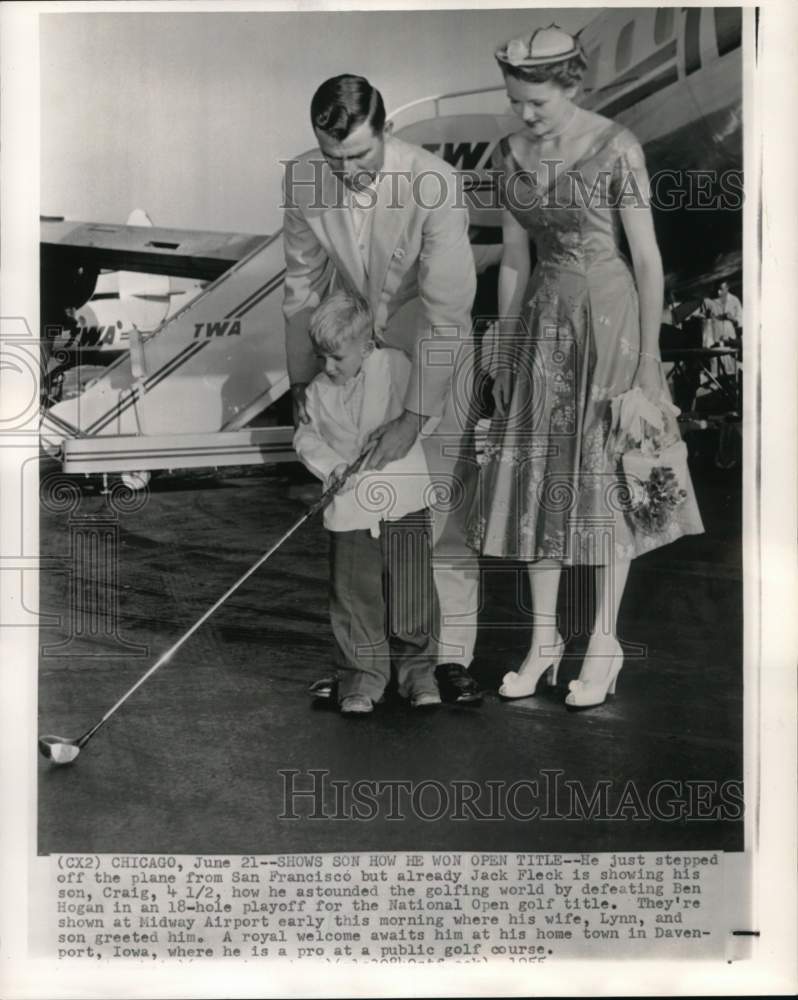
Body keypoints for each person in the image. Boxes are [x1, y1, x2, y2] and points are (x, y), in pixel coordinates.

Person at [471, 26, 704, 709]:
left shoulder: (615, 146)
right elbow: (515, 258)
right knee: (538, 476)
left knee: (606, 483)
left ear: (571, 84)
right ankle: (544, 639)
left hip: (610, 325)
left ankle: (604, 640)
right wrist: (507, 348)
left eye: (537, 101)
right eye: (517, 101)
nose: (526, 114)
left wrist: (651, 359)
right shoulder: (508, 153)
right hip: (544, 325)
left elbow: (649, 259)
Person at [282, 74, 481, 704]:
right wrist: (301, 380)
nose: (346, 172)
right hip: (358, 355)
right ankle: (363, 664)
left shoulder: (435, 183)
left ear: (386, 132)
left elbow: (448, 316)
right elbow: (302, 288)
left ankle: (445, 660)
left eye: (360, 157)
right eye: (333, 158)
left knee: (436, 509)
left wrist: (413, 416)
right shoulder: (305, 180)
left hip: (433, 349)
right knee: (362, 522)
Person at [293, 290, 441, 714]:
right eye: (321, 357)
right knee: (354, 597)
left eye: (337, 357)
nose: (327, 367)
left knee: (412, 592)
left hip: (404, 500)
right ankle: (361, 677)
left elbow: (427, 409)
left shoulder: (394, 367)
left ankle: (419, 674)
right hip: (351, 509)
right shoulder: (318, 391)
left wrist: (407, 426)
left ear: (366, 346)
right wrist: (331, 466)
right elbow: (305, 437)